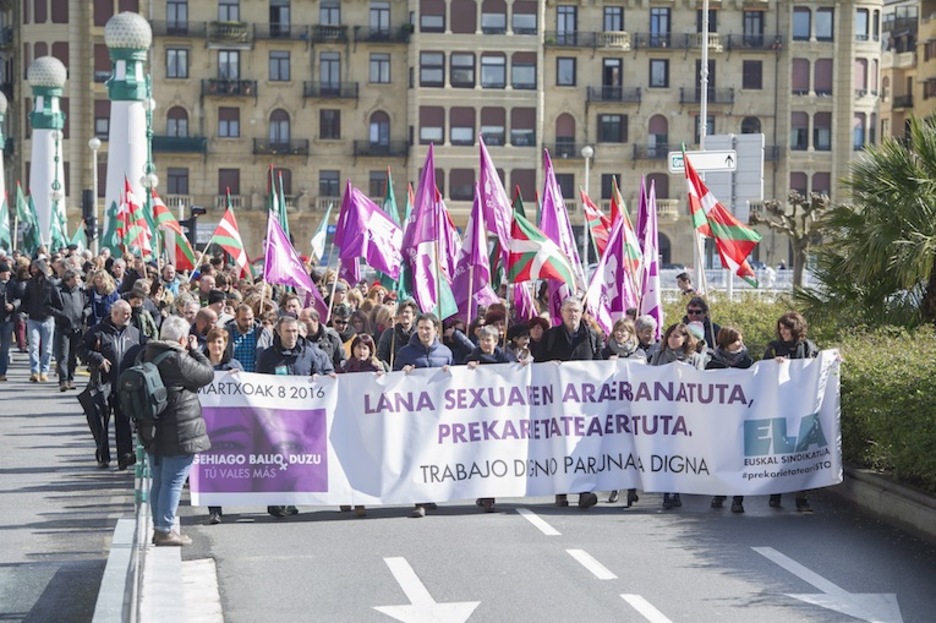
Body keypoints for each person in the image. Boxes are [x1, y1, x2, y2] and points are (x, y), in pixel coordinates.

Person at [136, 315, 214, 546]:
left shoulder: (146, 353)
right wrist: (196, 350)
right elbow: (206, 374)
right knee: (173, 481)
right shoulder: (178, 359)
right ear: (182, 338)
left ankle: (160, 526)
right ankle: (165, 529)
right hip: (179, 428)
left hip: (152, 428)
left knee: (159, 481)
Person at [256, 314, 334, 518]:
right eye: (287, 331)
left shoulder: (310, 353)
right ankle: (276, 501)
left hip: (302, 417)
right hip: (276, 416)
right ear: (278, 332)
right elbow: (259, 383)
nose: (292, 336)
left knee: (296, 459)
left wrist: (323, 379)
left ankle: (290, 499)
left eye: (294, 331)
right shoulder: (267, 356)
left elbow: (322, 375)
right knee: (277, 458)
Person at [533, 296, 603, 510]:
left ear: (581, 313)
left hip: (584, 404)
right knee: (560, 444)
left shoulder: (592, 337)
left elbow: (600, 364)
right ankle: (561, 491)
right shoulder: (551, 336)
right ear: (561, 313)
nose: (573, 314)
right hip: (557, 402)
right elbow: (538, 363)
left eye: (576, 310)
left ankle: (584, 492)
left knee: (583, 446)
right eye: (569, 310)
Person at [394, 313, 453, 518]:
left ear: (436, 329)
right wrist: (403, 372)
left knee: (434, 453)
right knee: (417, 454)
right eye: (420, 328)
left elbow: (456, 380)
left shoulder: (445, 352)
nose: (424, 332)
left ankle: (430, 493)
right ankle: (419, 500)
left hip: (438, 414)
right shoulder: (405, 352)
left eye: (427, 328)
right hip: (414, 414)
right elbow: (394, 378)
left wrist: (450, 372)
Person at [763, 311, 820, 513]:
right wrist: (773, 365)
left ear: (796, 328)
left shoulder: (808, 347)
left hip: (802, 407)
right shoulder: (773, 347)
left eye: (786, 328)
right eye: (780, 328)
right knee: (779, 451)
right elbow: (760, 371)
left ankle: (801, 498)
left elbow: (819, 368)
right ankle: (776, 492)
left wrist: (834, 360)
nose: (783, 332)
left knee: (801, 453)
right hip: (779, 407)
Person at [78, 300, 144, 469]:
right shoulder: (97, 332)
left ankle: (125, 456)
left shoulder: (135, 332)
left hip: (126, 386)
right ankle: (103, 454)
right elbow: (81, 350)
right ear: (114, 314)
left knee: (124, 421)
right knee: (101, 421)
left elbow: (144, 351)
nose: (128, 316)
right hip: (104, 383)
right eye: (124, 313)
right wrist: (97, 358)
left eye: (129, 313)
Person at [650, 322, 706, 510]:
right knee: (666, 450)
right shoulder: (658, 356)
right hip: (663, 410)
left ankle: (678, 490)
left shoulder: (695, 358)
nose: (673, 339)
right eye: (670, 336)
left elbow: (701, 382)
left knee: (681, 451)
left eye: (677, 336)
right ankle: (668, 492)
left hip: (685, 411)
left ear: (685, 339)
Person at [465, 325, 517, 513]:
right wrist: (468, 368)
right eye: (484, 340)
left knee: (495, 452)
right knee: (482, 453)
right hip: (479, 414)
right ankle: (486, 494)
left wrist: (522, 365)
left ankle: (489, 495)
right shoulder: (472, 357)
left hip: (499, 413)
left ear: (497, 341)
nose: (487, 344)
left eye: (491, 340)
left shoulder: (503, 357)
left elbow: (515, 368)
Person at [337, 333, 388, 518]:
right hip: (347, 419)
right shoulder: (345, 367)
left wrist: (382, 377)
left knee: (363, 461)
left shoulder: (376, 367)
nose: (361, 351)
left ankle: (360, 501)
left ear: (370, 350)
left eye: (365, 348)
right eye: (358, 347)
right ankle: (345, 497)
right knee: (347, 460)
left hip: (368, 422)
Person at [705, 327, 754, 513]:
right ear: (726, 343)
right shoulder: (713, 364)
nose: (740, 344)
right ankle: (719, 492)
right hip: (720, 419)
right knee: (722, 458)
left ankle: (738, 499)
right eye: (736, 340)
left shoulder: (748, 362)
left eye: (740, 340)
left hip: (741, 417)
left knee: (739, 459)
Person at [601, 317, 646, 507]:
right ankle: (615, 486)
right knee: (614, 447)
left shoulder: (639, 353)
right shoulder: (605, 352)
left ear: (631, 334)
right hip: (611, 408)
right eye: (617, 330)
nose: (620, 334)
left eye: (624, 331)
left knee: (632, 449)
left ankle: (631, 489)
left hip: (632, 409)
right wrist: (608, 365)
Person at [203, 326, 243, 526]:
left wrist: (239, 378)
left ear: (225, 344)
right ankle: (214, 510)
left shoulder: (233, 365)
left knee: (228, 465)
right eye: (213, 341)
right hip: (206, 423)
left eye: (220, 342)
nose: (216, 346)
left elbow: (246, 392)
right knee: (211, 466)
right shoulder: (199, 364)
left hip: (229, 423)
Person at [21, 259, 58, 382]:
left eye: (35, 268)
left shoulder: (51, 283)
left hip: (47, 319)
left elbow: (57, 300)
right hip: (32, 318)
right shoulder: (30, 283)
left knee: (47, 348)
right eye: (32, 268)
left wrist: (53, 311)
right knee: (34, 346)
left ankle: (44, 371)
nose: (33, 270)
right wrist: (26, 310)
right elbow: (25, 298)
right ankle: (35, 371)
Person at [50, 268, 85, 391]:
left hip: (77, 327)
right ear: (69, 279)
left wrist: (85, 312)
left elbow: (88, 305)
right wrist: (61, 315)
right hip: (63, 327)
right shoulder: (57, 290)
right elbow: (47, 306)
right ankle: (63, 380)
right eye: (77, 278)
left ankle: (71, 379)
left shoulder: (80, 291)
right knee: (63, 355)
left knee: (73, 356)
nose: (79, 280)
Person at [224, 303, 273, 373]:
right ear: (236, 318)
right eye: (244, 320)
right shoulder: (227, 333)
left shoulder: (264, 334)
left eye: (250, 319)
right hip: (234, 378)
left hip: (257, 378)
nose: (248, 323)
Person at [377, 299, 418, 369]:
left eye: (407, 312)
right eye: (401, 312)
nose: (404, 315)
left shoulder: (419, 334)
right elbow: (381, 357)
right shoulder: (389, 334)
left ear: (414, 316)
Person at [0, 261, 21, 382]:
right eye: (4, 272)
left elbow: (20, 298)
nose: (8, 274)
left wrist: (13, 305)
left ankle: (2, 372)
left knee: (4, 348)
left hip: (8, 320)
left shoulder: (12, 285)